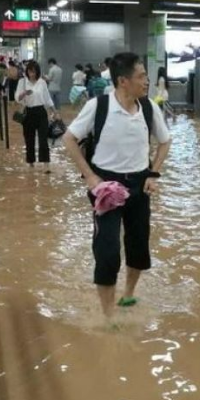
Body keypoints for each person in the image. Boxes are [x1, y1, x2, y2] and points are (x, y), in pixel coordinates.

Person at [63, 52, 171, 320]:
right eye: (141, 76)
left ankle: (128, 293)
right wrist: (89, 177)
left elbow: (165, 141)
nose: (147, 81)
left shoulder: (148, 107)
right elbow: (69, 139)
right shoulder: (99, 106)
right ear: (123, 81)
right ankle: (108, 315)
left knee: (138, 245)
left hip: (139, 184)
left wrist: (153, 174)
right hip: (106, 187)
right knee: (107, 249)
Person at [16, 61, 57, 172]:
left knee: (43, 139)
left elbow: (47, 98)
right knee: (29, 139)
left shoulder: (42, 82)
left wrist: (55, 113)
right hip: (28, 112)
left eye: (34, 72)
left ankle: (46, 164)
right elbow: (17, 98)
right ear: (27, 71)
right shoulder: (22, 82)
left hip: (41, 112)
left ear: (37, 72)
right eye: (30, 71)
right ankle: (31, 163)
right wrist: (24, 93)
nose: (32, 74)